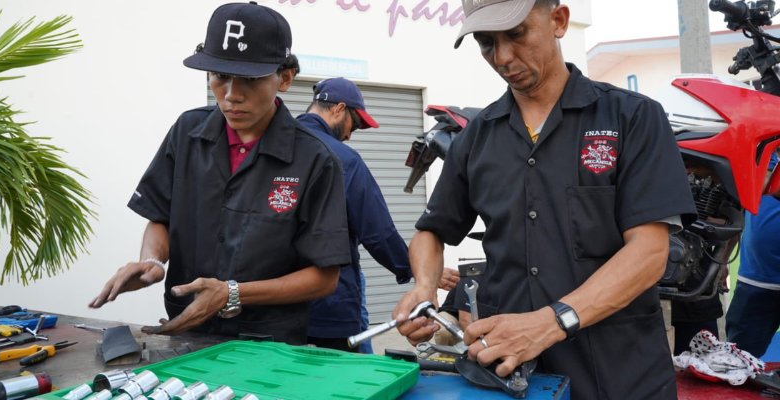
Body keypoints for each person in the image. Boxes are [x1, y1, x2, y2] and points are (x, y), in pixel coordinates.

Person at [392, 0, 697, 398]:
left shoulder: (631, 117)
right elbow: (432, 232)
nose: (502, 57)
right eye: (486, 43)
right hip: (514, 376)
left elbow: (649, 252)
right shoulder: (476, 137)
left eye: (517, 34)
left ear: (558, 20)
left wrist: (549, 323)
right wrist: (425, 287)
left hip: (622, 373)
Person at [89, 2, 351, 346]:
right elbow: (159, 216)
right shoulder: (186, 133)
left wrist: (232, 293)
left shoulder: (315, 160)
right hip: (187, 333)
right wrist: (152, 260)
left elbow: (324, 278)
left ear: (284, 78)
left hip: (269, 345)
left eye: (249, 79)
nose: (231, 95)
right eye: (219, 76)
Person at [295, 77, 414, 352]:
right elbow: (378, 232)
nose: (350, 134)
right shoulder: (344, 159)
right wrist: (415, 268)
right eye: (355, 124)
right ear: (338, 109)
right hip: (330, 307)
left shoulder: (268, 148)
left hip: (269, 310)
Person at [726, 155, 780, 358]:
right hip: (757, 279)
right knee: (736, 361)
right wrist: (723, 259)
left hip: (756, 278)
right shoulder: (765, 150)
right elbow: (736, 213)